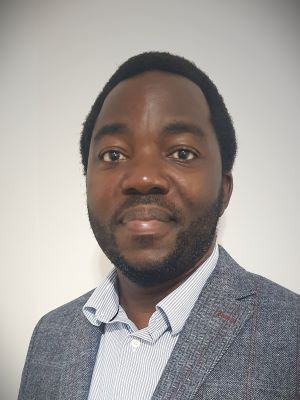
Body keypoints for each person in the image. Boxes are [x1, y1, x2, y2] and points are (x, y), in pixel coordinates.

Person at [18, 52, 300, 400]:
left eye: (181, 152)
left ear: (223, 189)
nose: (143, 177)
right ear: (87, 182)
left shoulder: (291, 334)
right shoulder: (50, 335)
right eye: (113, 155)